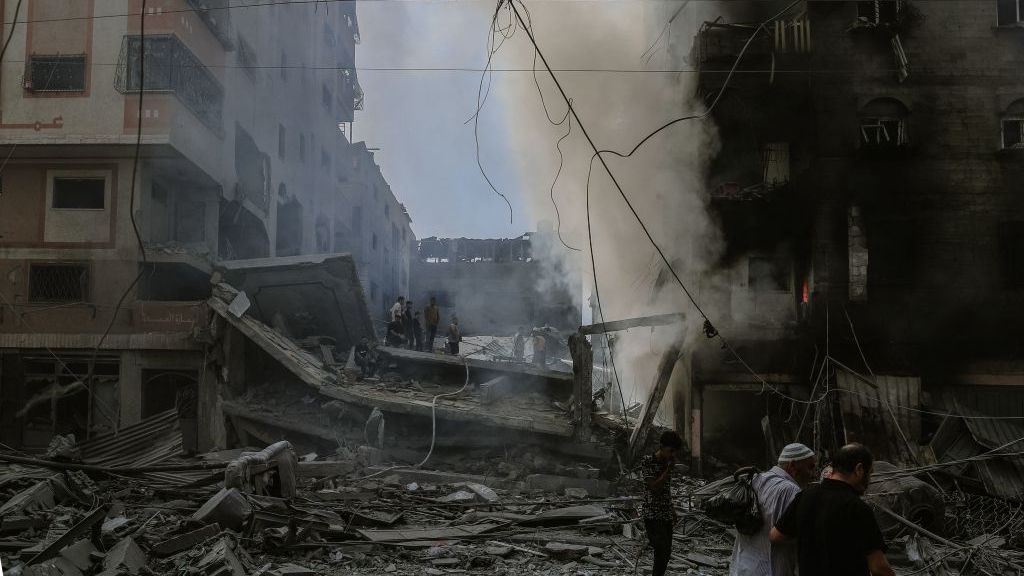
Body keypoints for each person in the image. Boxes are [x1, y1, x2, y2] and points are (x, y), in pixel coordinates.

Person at [770, 443, 895, 576]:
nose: (869, 480)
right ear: (859, 469)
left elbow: (775, 535)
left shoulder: (805, 496)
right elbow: (879, 568)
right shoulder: (857, 508)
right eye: (869, 473)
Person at [729, 443, 817, 576]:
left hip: (743, 566)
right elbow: (790, 534)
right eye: (810, 467)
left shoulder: (756, 480)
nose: (813, 474)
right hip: (771, 569)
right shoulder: (791, 491)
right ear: (792, 466)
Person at [637, 430, 683, 576]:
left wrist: (673, 510)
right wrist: (667, 471)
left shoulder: (667, 463)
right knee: (661, 549)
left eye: (675, 451)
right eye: (671, 451)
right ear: (661, 447)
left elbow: (666, 490)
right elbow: (654, 487)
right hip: (651, 513)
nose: (673, 455)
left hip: (665, 513)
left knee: (666, 552)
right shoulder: (647, 461)